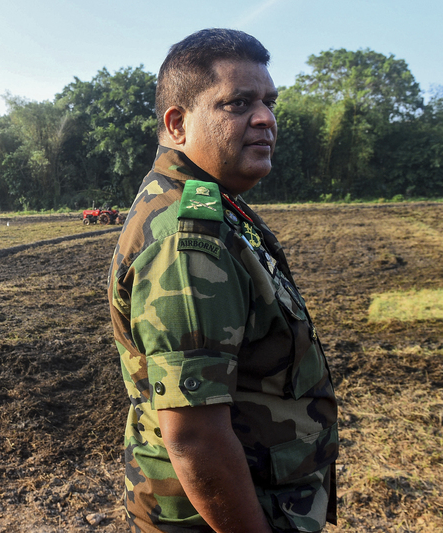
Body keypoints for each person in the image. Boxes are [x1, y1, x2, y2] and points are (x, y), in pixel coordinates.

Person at [107, 29, 338, 533]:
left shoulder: (209, 200)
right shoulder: (187, 239)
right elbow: (195, 437)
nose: (265, 118)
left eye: (269, 102)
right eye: (236, 104)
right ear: (178, 123)